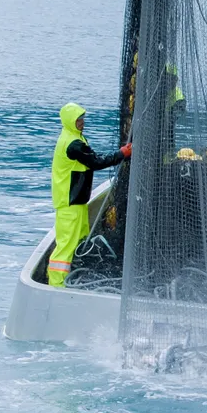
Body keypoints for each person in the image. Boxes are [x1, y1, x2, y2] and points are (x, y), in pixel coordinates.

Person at [48, 103, 131, 287]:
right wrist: (121, 154)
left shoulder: (74, 137)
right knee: (66, 247)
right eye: (78, 120)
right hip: (69, 203)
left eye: (82, 119)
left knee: (80, 241)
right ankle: (57, 285)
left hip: (77, 202)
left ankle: (74, 278)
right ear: (70, 121)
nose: (81, 123)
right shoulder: (73, 144)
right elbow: (95, 161)